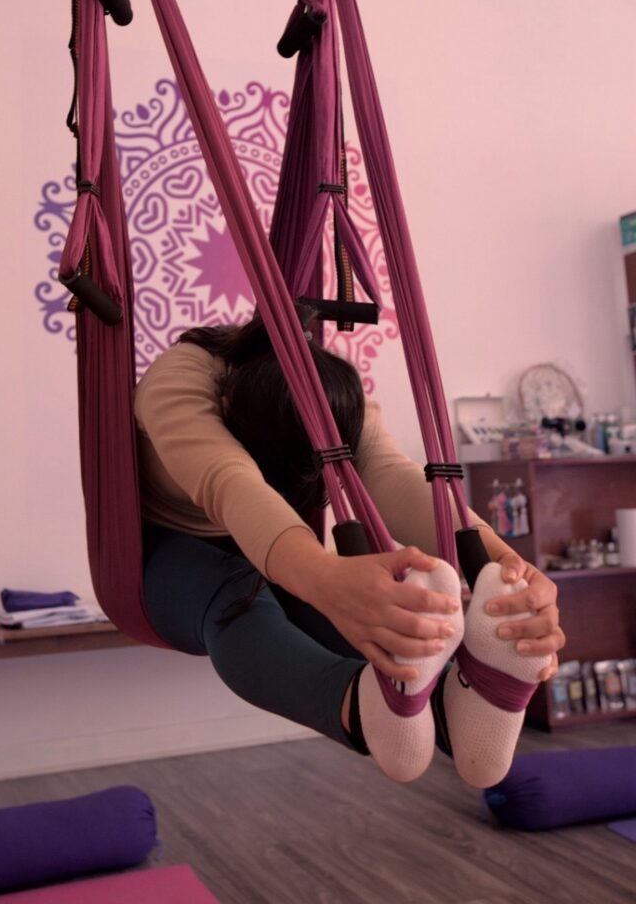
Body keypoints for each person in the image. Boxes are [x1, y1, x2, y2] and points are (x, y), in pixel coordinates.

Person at [135, 308, 565, 788]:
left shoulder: (328, 392)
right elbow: (232, 483)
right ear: (228, 405)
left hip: (278, 543)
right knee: (238, 597)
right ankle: (357, 705)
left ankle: (456, 702)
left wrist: (504, 569)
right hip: (163, 554)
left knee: (353, 608)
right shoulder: (181, 382)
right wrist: (325, 578)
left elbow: (389, 474)